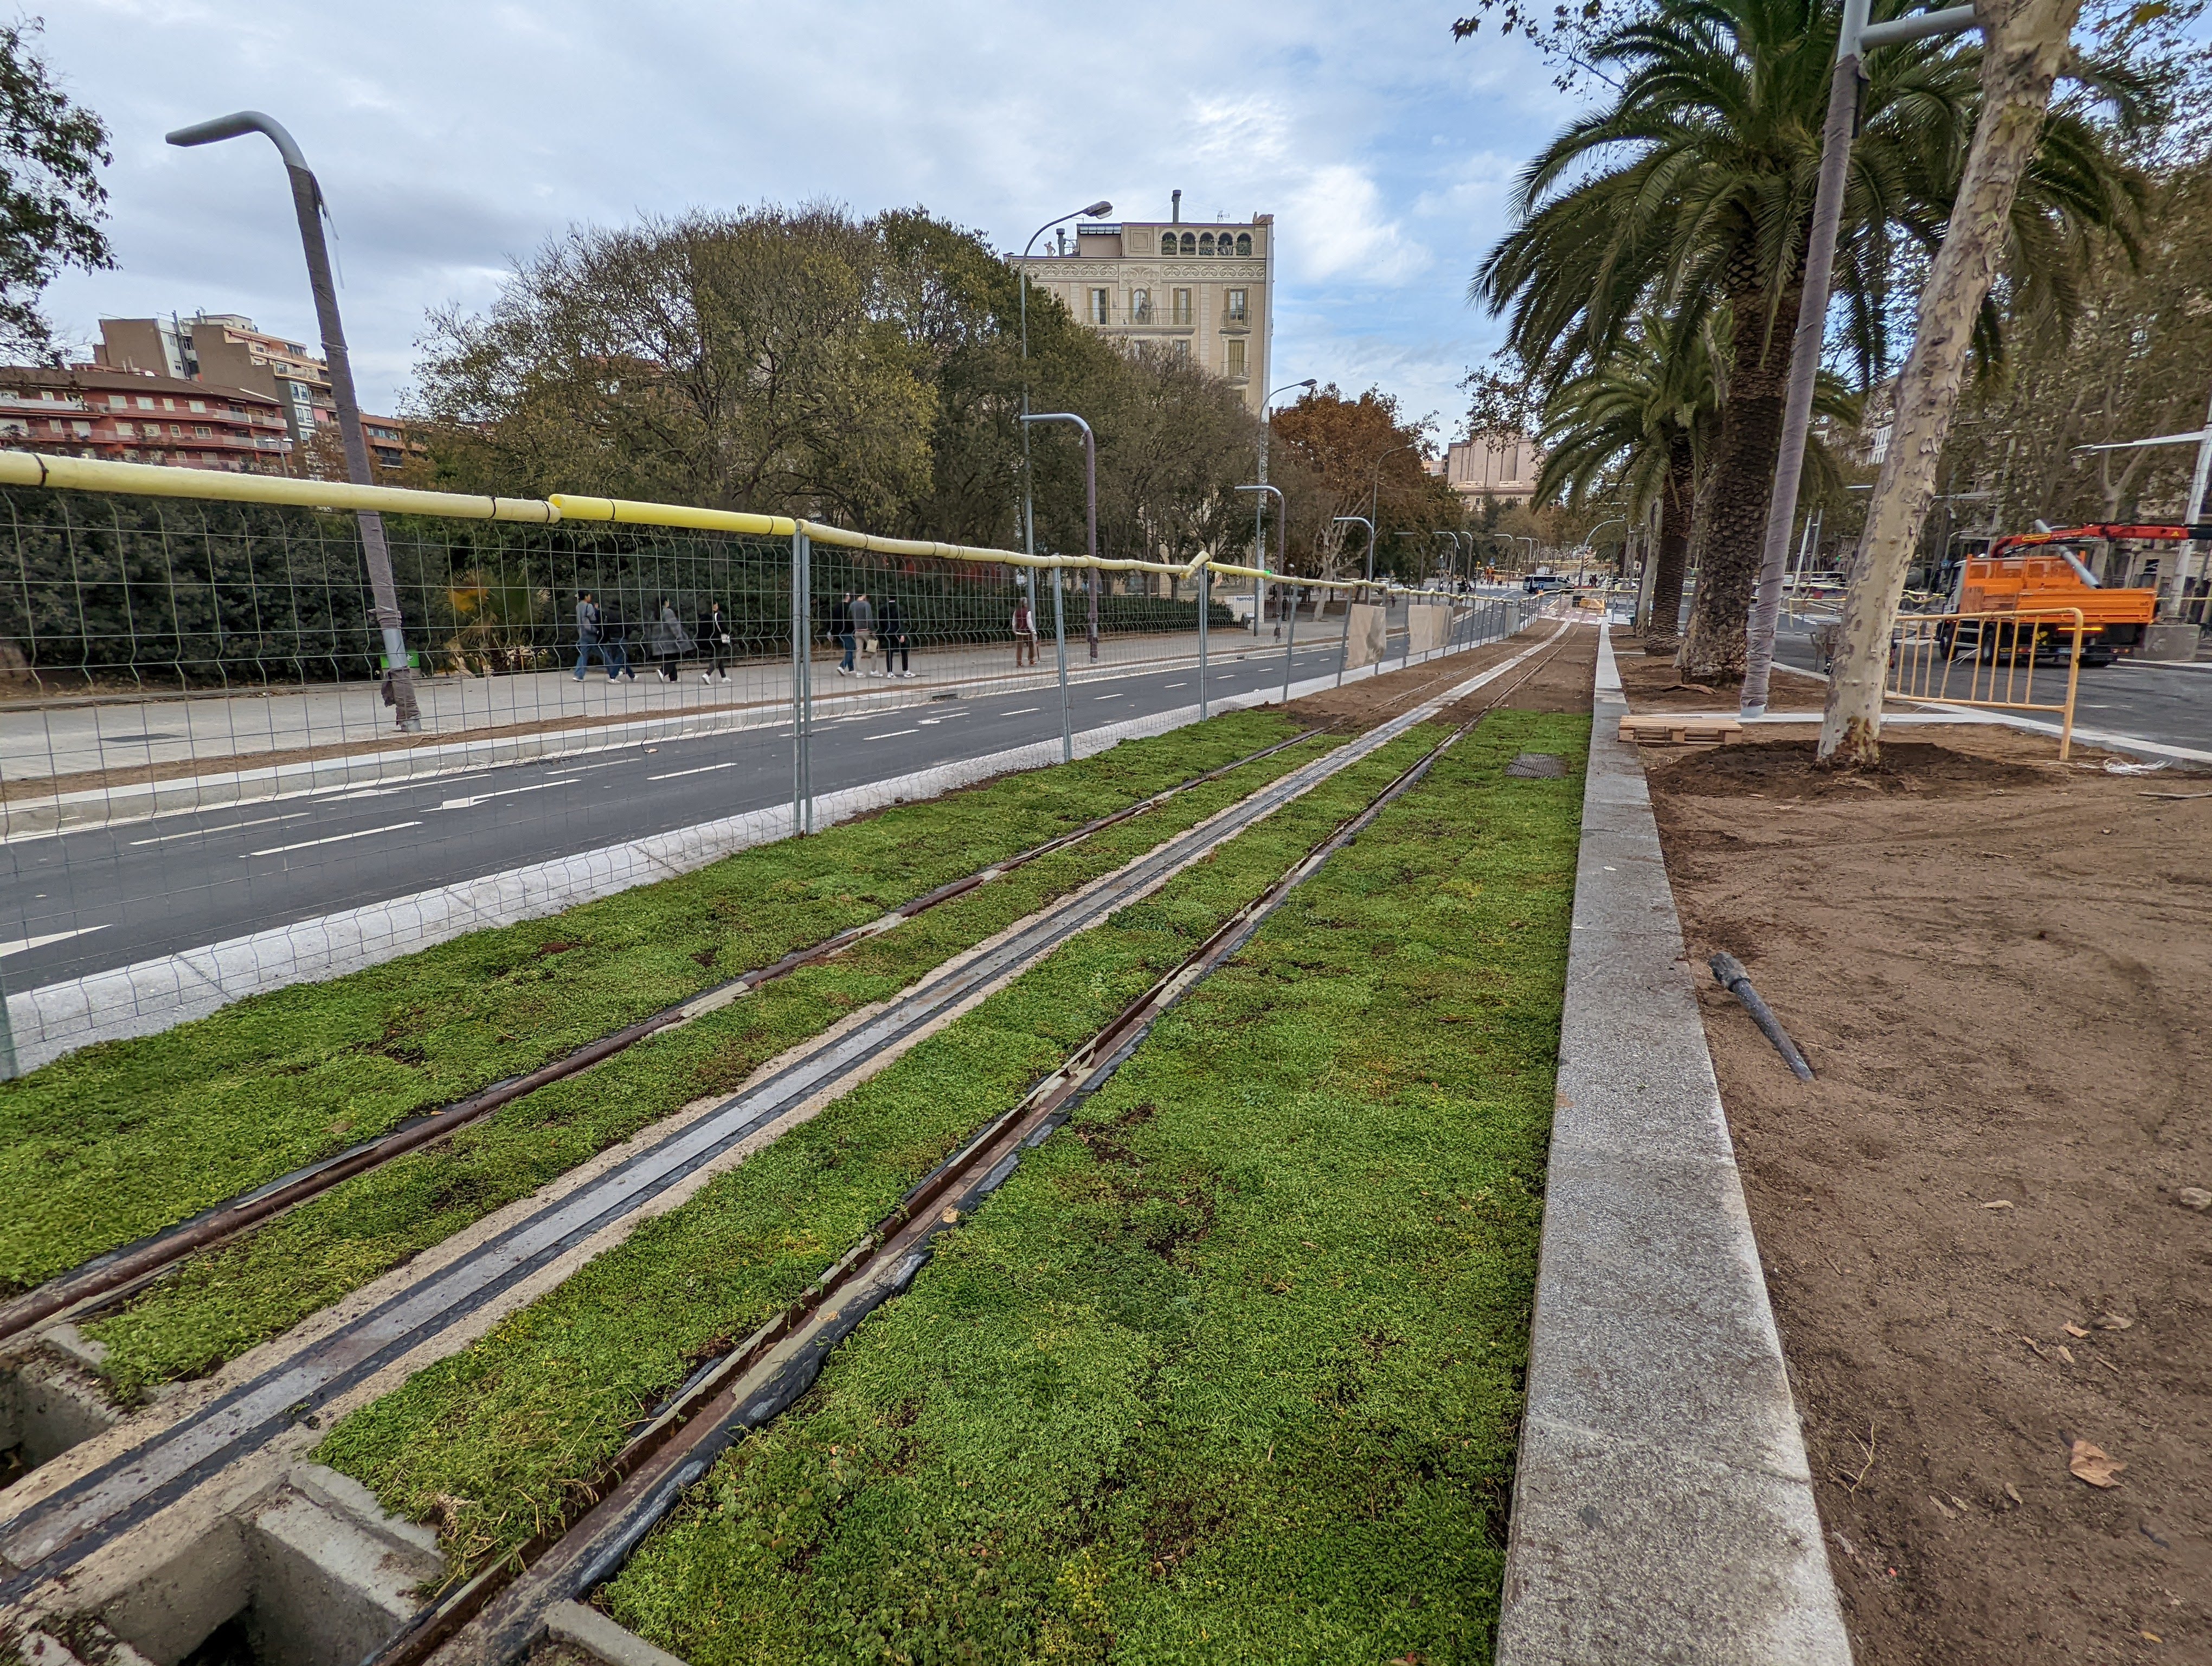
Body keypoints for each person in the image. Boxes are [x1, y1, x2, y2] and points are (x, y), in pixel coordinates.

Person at [650, 597, 695, 681]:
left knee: (669, 658)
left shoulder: (655, 614)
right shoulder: (668, 612)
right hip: (670, 641)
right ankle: (663, 671)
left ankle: (673, 678)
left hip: (660, 642)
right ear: (666, 602)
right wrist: (680, 637)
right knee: (676, 657)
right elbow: (674, 626)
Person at [878, 593, 913, 678]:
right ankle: (906, 670)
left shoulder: (883, 608)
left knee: (889, 651)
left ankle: (890, 672)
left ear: (888, 597)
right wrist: (902, 634)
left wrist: (883, 632)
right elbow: (901, 622)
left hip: (888, 632)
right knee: (904, 650)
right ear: (896, 598)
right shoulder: (899, 608)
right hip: (897, 632)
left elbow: (881, 621)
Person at [600, 600, 636, 680]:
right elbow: (626, 626)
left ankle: (632, 676)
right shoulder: (622, 613)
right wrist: (628, 634)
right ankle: (613, 676)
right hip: (621, 637)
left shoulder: (607, 613)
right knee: (621, 657)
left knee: (622, 658)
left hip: (612, 638)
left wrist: (606, 638)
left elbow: (605, 626)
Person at [574, 592, 605, 680]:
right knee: (603, 653)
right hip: (591, 633)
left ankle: (579, 675)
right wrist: (596, 610)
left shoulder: (578, 606)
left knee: (583, 654)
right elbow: (593, 618)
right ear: (586, 596)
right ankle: (614, 670)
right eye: (589, 595)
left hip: (582, 633)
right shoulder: (589, 606)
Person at [702, 601, 731, 682]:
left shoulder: (708, 616)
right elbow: (722, 627)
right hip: (719, 639)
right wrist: (727, 632)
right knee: (718, 657)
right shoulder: (717, 615)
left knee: (719, 657)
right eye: (717, 604)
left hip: (712, 639)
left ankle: (724, 676)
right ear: (714, 605)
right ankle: (707, 674)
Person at [850, 590, 876, 676]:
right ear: (863, 595)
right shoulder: (866, 604)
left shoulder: (853, 605)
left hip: (857, 631)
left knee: (859, 651)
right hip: (866, 630)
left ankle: (859, 671)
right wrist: (873, 630)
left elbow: (848, 616)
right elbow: (869, 617)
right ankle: (874, 670)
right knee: (873, 650)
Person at [831, 590, 855, 676]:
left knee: (849, 648)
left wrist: (832, 632)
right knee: (850, 649)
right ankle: (842, 666)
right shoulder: (849, 607)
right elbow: (852, 620)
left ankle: (851, 669)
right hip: (848, 631)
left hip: (839, 632)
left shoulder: (836, 607)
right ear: (848, 598)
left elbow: (833, 620)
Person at [1012, 592, 1038, 668]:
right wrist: (1034, 631)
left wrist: (1014, 630)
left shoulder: (1016, 612)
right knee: (1031, 646)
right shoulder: (1028, 612)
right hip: (1027, 632)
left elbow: (1014, 622)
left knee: (1019, 648)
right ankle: (1031, 661)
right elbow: (1029, 623)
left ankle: (1019, 663)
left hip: (1019, 632)